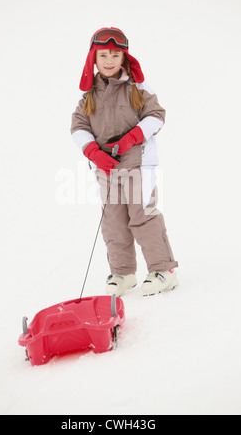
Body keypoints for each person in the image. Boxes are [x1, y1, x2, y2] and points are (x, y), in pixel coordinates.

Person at [71, 27, 178, 297]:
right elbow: (78, 127)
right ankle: (123, 273)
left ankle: (163, 270)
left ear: (124, 57)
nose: (109, 61)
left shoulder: (138, 88)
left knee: (142, 216)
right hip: (106, 170)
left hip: (138, 165)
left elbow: (156, 115)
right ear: (93, 59)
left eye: (115, 55)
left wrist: (133, 136)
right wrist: (93, 151)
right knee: (113, 221)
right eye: (103, 55)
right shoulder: (88, 97)